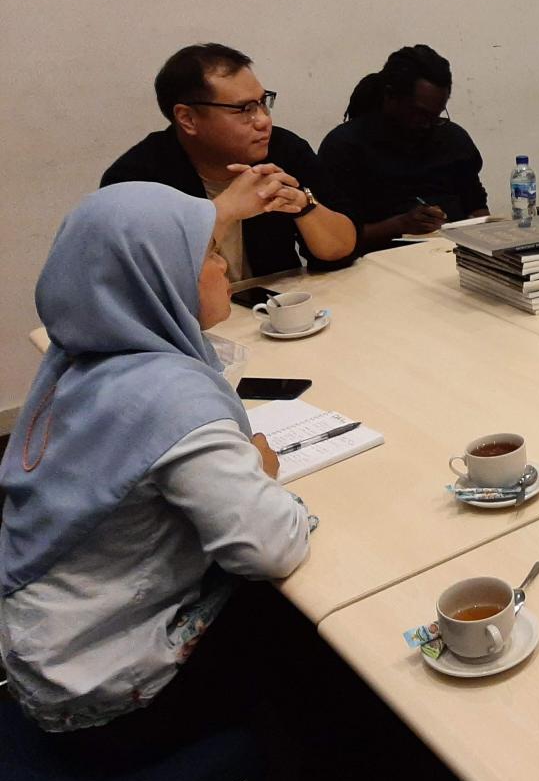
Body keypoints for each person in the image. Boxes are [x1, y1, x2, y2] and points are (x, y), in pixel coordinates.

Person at [0, 182, 312, 744]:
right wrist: (260, 473)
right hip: (110, 699)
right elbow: (271, 548)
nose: (224, 269)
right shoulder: (171, 400)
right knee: (316, 633)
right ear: (158, 278)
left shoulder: (79, 358)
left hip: (45, 655)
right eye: (211, 254)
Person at [101, 43, 358, 280]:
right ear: (187, 119)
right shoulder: (136, 180)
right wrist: (225, 210)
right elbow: (146, 283)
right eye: (244, 109)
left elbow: (342, 249)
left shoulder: (283, 150)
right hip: (188, 325)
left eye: (262, 103)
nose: (263, 120)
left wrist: (303, 205)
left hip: (273, 313)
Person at [319, 44, 490, 253]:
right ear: (390, 97)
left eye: (436, 115)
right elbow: (333, 239)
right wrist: (400, 225)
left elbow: (476, 204)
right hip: (375, 268)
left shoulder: (452, 138)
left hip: (451, 259)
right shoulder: (346, 147)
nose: (428, 124)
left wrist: (481, 232)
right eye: (420, 113)